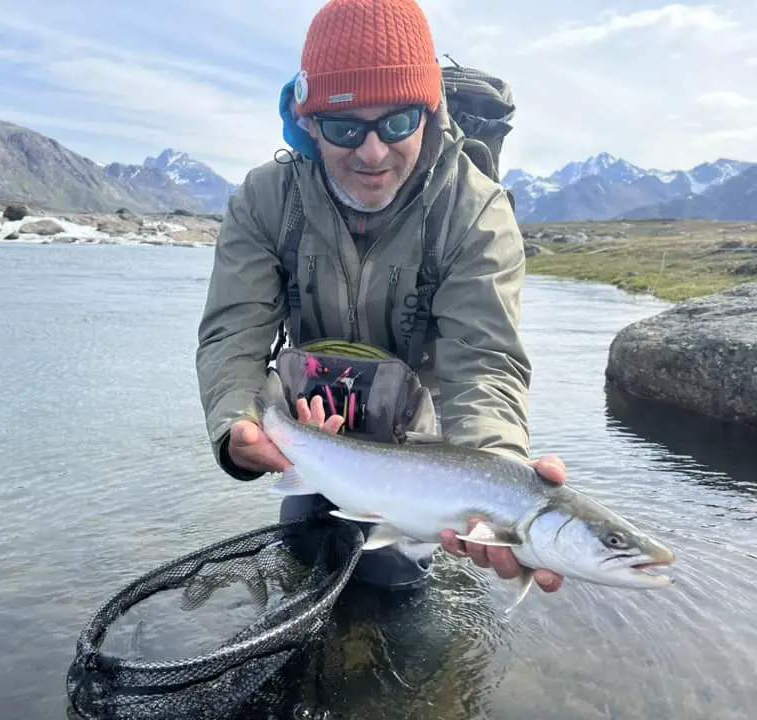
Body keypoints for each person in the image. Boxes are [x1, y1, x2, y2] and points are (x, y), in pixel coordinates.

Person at [195, 0, 566, 596]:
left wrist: (496, 474)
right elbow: (233, 333)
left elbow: (485, 360)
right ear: (310, 122)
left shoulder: (476, 212)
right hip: (308, 433)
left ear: (431, 110)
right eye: (345, 128)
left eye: (397, 123)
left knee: (396, 583)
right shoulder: (266, 200)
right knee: (305, 553)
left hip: (422, 449)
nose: (372, 153)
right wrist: (238, 424)